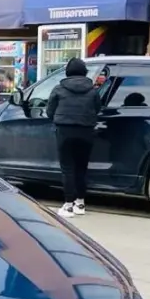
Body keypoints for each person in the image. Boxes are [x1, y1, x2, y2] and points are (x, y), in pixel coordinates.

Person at [45, 58, 101, 218]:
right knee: (82, 168)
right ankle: (80, 203)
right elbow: (97, 109)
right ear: (84, 72)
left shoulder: (59, 89)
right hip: (86, 131)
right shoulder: (93, 90)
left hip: (65, 131)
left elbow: (50, 111)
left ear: (68, 72)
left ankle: (68, 205)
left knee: (67, 168)